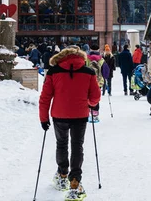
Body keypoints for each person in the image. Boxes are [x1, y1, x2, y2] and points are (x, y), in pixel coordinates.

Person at [39, 46, 101, 200]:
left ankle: (62, 174)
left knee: (61, 144)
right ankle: (74, 182)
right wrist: (90, 103)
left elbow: (45, 97)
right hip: (80, 114)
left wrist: (43, 118)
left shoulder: (53, 72)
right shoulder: (89, 72)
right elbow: (95, 96)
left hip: (59, 115)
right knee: (77, 145)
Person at [87, 45, 109, 123]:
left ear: (90, 49)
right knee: (95, 98)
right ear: (98, 50)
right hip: (98, 82)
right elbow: (106, 73)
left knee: (86, 98)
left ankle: (87, 114)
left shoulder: (86, 59)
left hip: (87, 82)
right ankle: (95, 115)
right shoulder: (101, 60)